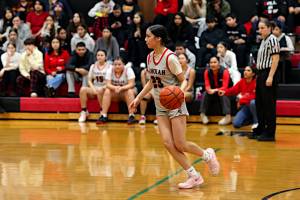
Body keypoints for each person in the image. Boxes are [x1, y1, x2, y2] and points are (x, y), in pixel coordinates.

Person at [129, 25, 220, 189]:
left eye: (148, 36)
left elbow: (183, 79)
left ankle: (207, 155)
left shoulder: (170, 58)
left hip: (174, 103)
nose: (145, 39)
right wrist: (138, 98)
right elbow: (152, 81)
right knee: (167, 143)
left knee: (181, 144)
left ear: (158, 38)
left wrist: (180, 92)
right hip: (159, 105)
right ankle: (194, 176)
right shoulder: (150, 57)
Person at [251, 19, 280, 141]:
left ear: (269, 28)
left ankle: (270, 133)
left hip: (268, 73)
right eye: (259, 28)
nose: (260, 30)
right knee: (260, 104)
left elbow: (275, 59)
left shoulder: (272, 39)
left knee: (269, 105)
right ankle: (262, 128)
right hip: (261, 74)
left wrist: (270, 76)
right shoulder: (263, 40)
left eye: (263, 28)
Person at [98, 57, 137, 124]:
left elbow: (132, 84)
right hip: (115, 92)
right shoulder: (110, 69)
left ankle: (131, 115)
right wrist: (115, 88)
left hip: (126, 92)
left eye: (119, 64)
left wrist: (121, 88)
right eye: (115, 64)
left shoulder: (128, 69)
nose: (117, 66)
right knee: (107, 91)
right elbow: (108, 84)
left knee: (129, 91)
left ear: (123, 65)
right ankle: (103, 115)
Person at [78, 49, 111, 123]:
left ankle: (102, 111)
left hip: (105, 88)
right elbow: (89, 80)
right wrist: (93, 89)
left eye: (102, 55)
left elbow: (110, 81)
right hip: (95, 87)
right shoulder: (93, 66)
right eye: (98, 55)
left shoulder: (109, 67)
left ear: (105, 57)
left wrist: (103, 88)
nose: (100, 57)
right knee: (83, 89)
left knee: (100, 91)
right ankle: (84, 111)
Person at [200, 56, 231, 125]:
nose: (212, 64)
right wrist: (209, 90)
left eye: (215, 62)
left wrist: (215, 90)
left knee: (223, 92)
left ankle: (227, 116)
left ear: (219, 63)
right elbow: (207, 85)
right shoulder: (207, 72)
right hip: (213, 92)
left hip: (226, 91)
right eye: (211, 63)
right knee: (205, 93)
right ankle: (202, 114)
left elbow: (225, 87)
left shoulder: (225, 71)